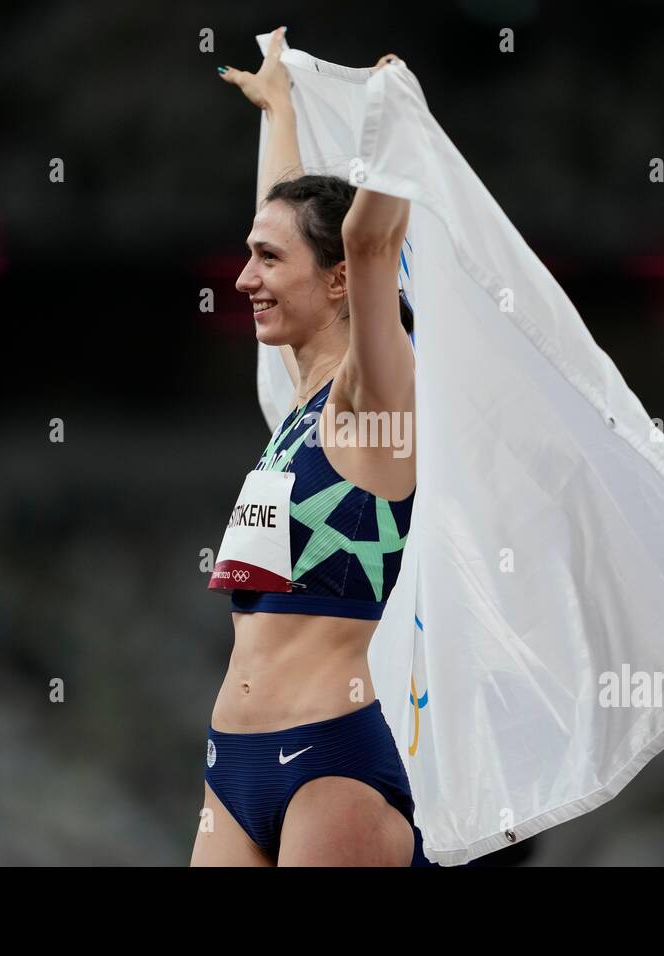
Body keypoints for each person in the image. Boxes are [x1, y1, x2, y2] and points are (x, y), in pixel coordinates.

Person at [190, 28, 419, 866]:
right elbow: (293, 219)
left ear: (336, 283)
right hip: (232, 764)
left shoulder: (375, 400)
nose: (245, 276)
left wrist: (393, 130)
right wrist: (281, 107)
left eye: (264, 259)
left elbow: (365, 243)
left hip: (328, 766)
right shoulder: (300, 400)